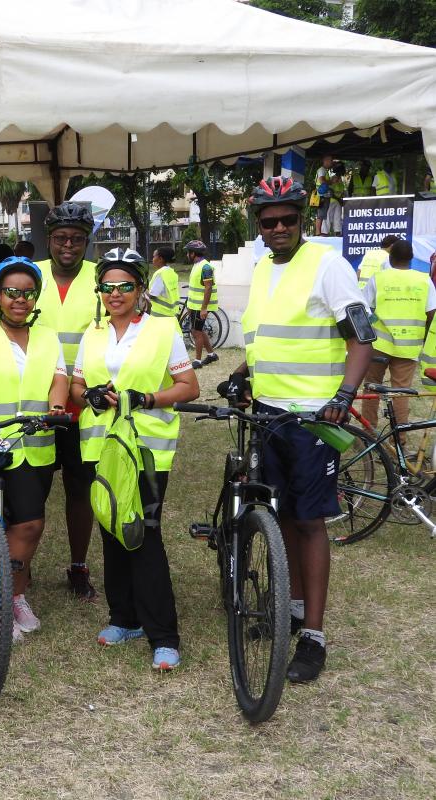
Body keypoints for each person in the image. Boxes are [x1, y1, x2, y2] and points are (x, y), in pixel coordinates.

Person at [235, 176, 373, 683]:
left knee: (310, 521)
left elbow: (362, 336)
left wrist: (344, 397)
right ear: (259, 226)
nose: (278, 228)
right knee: (284, 515)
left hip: (315, 416)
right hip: (269, 413)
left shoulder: (327, 265)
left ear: (304, 221)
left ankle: (312, 634)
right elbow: (269, 338)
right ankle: (291, 608)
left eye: (288, 219)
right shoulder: (261, 270)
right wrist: (243, 374)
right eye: (268, 221)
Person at [70, 248, 197, 670]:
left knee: (143, 536)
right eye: (108, 286)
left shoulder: (163, 330)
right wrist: (86, 394)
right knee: (110, 530)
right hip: (100, 448)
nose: (116, 293)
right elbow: (75, 387)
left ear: (141, 290)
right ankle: (124, 618)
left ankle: (163, 634)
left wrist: (148, 398)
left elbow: (188, 386)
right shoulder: (92, 333)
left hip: (145, 450)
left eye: (125, 286)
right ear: (100, 291)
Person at [0, 257, 68, 642]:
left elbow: (60, 379)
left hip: (37, 444)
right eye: (11, 292)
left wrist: (56, 408)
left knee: (28, 524)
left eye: (27, 293)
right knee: (26, 523)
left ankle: (14, 593)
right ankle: (4, 597)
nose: (19, 299)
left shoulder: (48, 336)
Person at [31, 201, 100, 600]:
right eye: (60, 238)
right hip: (35, 403)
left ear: (87, 241)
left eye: (76, 239)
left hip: (85, 402)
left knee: (80, 490)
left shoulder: (100, 277)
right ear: (49, 240)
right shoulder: (31, 275)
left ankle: (78, 565)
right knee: (32, 491)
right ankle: (20, 567)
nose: (68, 246)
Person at [361, 239, 435, 428]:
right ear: (411, 258)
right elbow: (431, 313)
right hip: (409, 347)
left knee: (371, 387)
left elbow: (365, 310)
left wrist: (375, 324)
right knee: (401, 392)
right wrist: (423, 337)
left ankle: (368, 433)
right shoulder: (424, 280)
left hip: (378, 344)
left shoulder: (378, 278)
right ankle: (400, 437)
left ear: (390, 256)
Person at [183, 239, 218, 369]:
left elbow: (208, 288)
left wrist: (204, 308)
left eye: (188, 252)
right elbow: (195, 288)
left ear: (194, 253)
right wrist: (190, 307)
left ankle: (197, 361)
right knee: (198, 330)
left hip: (201, 306)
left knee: (196, 332)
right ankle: (211, 355)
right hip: (195, 305)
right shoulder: (197, 265)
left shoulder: (206, 267)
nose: (187, 255)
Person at [147, 246, 180, 318]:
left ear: (160, 259)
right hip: (172, 313)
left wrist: (142, 290)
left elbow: (152, 295)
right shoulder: (172, 272)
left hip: (160, 315)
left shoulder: (160, 274)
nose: (152, 259)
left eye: (153, 257)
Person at [315, 155, 333, 236]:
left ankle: (319, 232)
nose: (331, 162)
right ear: (325, 161)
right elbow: (322, 180)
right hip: (322, 195)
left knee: (322, 214)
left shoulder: (324, 170)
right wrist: (331, 181)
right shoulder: (322, 170)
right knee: (320, 214)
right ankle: (318, 232)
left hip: (324, 195)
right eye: (330, 160)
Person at [327, 163, 346, 236]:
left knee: (338, 218)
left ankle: (338, 234)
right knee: (328, 218)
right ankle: (325, 234)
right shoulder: (333, 178)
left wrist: (341, 198)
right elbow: (330, 191)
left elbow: (341, 192)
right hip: (330, 201)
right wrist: (339, 199)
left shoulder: (340, 180)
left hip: (337, 202)